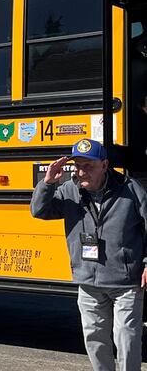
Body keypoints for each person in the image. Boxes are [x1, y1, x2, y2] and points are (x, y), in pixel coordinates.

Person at [31, 138, 147, 371]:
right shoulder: (68, 191)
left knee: (126, 339)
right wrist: (47, 183)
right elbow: (39, 211)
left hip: (125, 281)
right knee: (95, 340)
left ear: (105, 165)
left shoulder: (130, 189)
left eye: (88, 166)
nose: (81, 172)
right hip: (88, 281)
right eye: (78, 166)